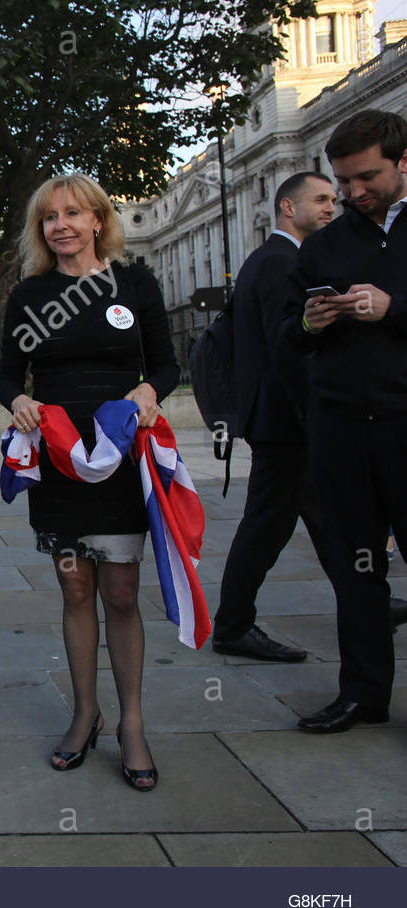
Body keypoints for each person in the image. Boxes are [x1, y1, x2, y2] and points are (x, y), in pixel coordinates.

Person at [0, 173, 179, 791]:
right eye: (50, 218)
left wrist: (151, 390)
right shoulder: (29, 295)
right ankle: (85, 713)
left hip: (121, 460)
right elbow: (6, 375)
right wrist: (17, 401)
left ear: (99, 220)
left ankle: (131, 723)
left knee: (122, 594)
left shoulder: (135, 283)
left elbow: (166, 362)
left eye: (74, 213)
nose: (62, 225)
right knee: (76, 590)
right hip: (59, 463)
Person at [281, 109, 407, 733]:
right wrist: (308, 323)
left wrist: (395, 308)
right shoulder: (325, 245)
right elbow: (284, 333)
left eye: (367, 178)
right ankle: (363, 693)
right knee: (358, 568)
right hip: (342, 430)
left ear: (403, 161)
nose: (354, 193)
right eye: (342, 181)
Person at [210, 172, 340, 662]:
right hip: (285, 420)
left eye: (334, 199)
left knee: (327, 518)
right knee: (267, 524)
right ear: (288, 206)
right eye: (321, 199)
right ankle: (232, 625)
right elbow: (286, 347)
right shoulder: (282, 262)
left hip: (281, 417)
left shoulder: (272, 259)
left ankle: (363, 595)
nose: (332, 207)